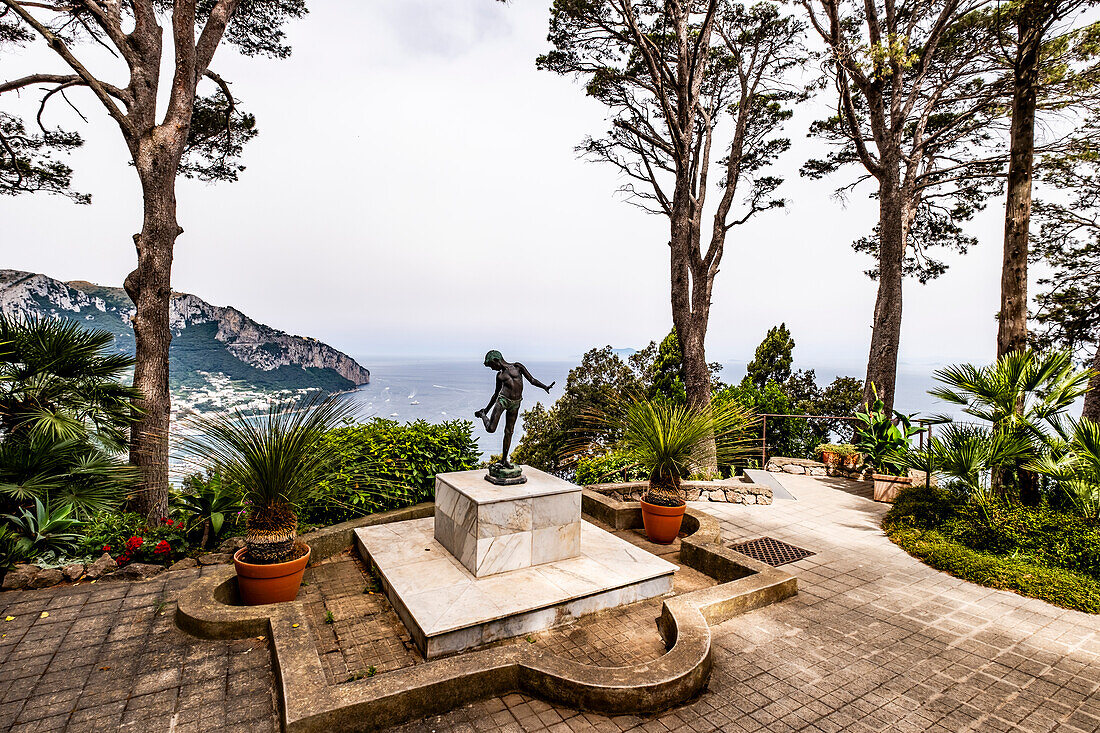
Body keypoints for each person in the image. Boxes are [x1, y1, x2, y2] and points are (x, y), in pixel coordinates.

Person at [475, 350, 554, 468]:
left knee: (509, 432)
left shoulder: (518, 366)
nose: (492, 369)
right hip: (502, 401)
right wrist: (486, 410)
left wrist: (545, 387)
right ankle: (482, 415)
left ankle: (504, 460)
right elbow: (495, 394)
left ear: (496, 360)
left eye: (491, 365)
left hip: (516, 403)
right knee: (491, 429)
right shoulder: (499, 376)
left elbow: (532, 380)